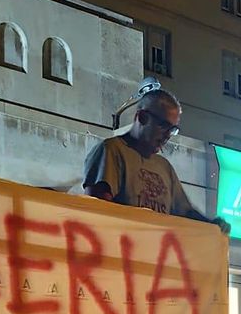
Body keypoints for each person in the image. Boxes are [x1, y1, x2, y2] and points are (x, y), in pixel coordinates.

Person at [83, 89, 229, 233]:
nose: (168, 135)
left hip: (154, 254)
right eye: (164, 126)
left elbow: (184, 213)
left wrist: (212, 226)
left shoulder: (164, 167)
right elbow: (98, 209)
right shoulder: (111, 150)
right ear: (142, 117)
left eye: (173, 129)